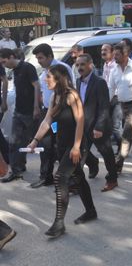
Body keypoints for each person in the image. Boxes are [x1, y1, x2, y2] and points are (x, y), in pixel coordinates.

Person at [26, 64, 96, 238]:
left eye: (48, 76)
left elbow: (80, 121)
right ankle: (91, 211)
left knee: (60, 177)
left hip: (77, 144)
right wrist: (35, 141)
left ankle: (59, 223)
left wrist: (76, 147)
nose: (44, 79)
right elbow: (47, 121)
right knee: (78, 177)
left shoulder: (71, 95)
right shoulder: (55, 97)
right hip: (63, 144)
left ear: (59, 78)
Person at [30, 43, 73, 188]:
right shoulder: (44, 73)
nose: (39, 61)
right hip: (50, 113)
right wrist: (35, 140)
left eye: (41, 58)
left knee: (62, 146)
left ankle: (71, 178)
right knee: (47, 145)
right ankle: (46, 177)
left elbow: (72, 89)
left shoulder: (62, 69)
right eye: (37, 58)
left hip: (64, 116)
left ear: (49, 56)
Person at [75, 54, 118, 192]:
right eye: (77, 65)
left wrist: (99, 127)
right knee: (81, 153)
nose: (79, 67)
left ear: (90, 65)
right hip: (84, 125)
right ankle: (92, 166)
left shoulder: (99, 82)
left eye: (82, 64)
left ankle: (112, 179)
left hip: (99, 126)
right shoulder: (77, 81)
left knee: (107, 154)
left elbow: (104, 106)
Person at [0, 49, 40, 183]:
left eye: (4, 61)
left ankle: (47, 173)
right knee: (14, 142)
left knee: (37, 141)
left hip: (31, 112)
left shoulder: (28, 67)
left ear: (11, 56)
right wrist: (4, 101)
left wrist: (36, 107)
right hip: (18, 111)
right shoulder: (14, 71)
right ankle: (16, 170)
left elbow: (36, 86)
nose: (4, 65)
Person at [109, 44, 132, 173]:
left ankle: (119, 163)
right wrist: (106, 105)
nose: (114, 57)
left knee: (127, 134)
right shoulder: (114, 70)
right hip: (122, 105)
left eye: (117, 54)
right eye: (114, 54)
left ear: (125, 54)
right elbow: (111, 89)